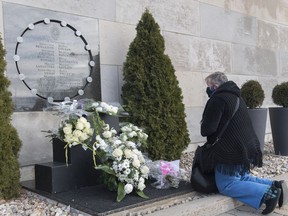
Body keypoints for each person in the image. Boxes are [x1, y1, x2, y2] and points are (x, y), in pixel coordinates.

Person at [200, 72, 287, 215]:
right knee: (240, 177)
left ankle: (268, 194)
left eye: (209, 86)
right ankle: (275, 185)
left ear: (215, 86)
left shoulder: (218, 99)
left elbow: (207, 129)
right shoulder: (238, 97)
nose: (208, 90)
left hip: (230, 151)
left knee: (227, 184)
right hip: (248, 148)